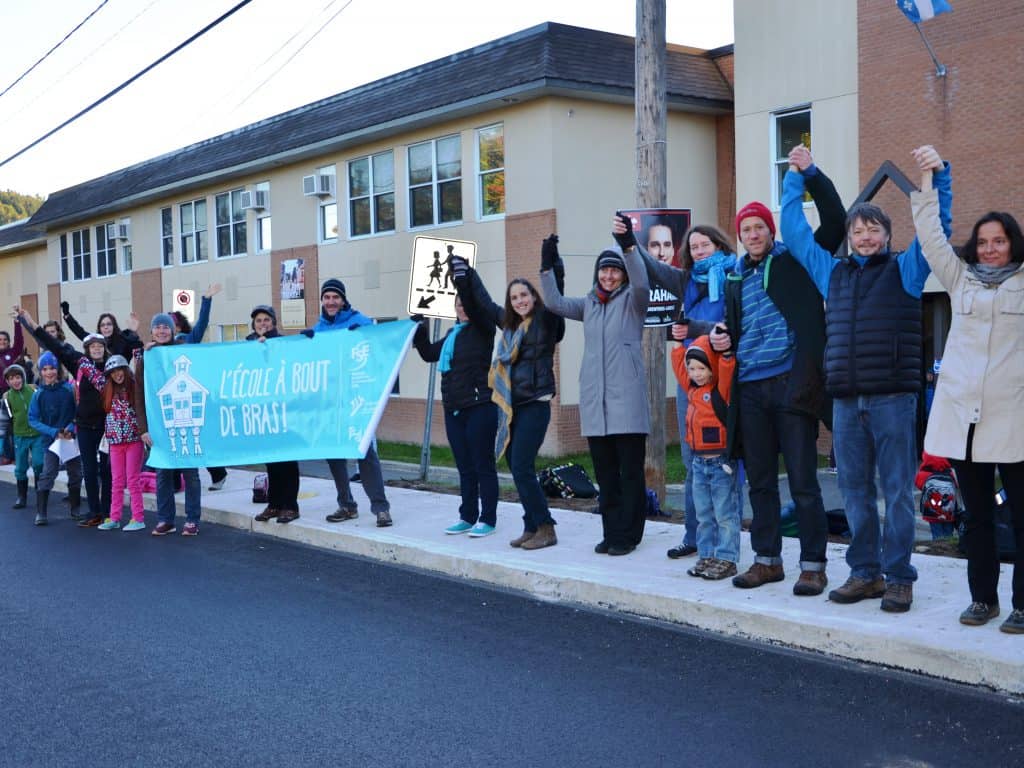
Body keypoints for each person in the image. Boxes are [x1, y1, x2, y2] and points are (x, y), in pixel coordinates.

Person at [779, 143, 951, 613]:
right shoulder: (830, 274)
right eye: (858, 229)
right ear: (850, 237)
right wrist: (798, 176)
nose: (865, 235)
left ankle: (899, 577)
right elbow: (793, 231)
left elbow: (938, 230)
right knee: (854, 492)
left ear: (886, 235)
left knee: (897, 494)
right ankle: (865, 573)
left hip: (893, 399)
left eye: (873, 229)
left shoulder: (907, 270)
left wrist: (939, 178)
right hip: (846, 402)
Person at [910, 159, 1024, 633]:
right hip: (966, 422)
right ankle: (984, 600)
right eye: (984, 241)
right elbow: (931, 237)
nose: (991, 248)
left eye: (999, 240)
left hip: (1013, 420)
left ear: (1013, 242)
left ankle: (1022, 604)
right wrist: (929, 181)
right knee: (976, 517)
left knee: (1021, 518)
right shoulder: (961, 280)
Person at [712, 196, 840, 596]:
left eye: (759, 227)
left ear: (771, 231)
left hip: (791, 382)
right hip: (749, 386)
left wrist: (808, 178)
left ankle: (813, 567)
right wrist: (723, 338)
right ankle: (766, 561)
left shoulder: (793, 262)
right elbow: (737, 328)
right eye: (746, 230)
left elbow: (835, 222)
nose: (753, 235)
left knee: (803, 481)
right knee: (761, 483)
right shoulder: (735, 278)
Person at [541, 220, 650, 556]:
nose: (609, 276)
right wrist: (547, 266)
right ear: (597, 274)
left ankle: (629, 535)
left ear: (623, 275)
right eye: (604, 271)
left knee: (629, 473)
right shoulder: (589, 303)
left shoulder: (634, 300)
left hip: (626, 401)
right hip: (595, 403)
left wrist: (628, 247)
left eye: (615, 271)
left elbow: (644, 281)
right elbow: (555, 303)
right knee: (606, 474)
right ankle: (612, 531)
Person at [639, 223, 739, 559]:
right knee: (692, 459)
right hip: (691, 380)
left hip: (724, 377)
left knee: (724, 461)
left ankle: (726, 541)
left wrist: (695, 328)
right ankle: (695, 536)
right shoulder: (686, 280)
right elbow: (653, 267)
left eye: (704, 244)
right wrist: (628, 241)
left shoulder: (735, 274)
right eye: (693, 247)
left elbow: (734, 326)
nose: (699, 251)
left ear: (718, 244)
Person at [462, 257, 565, 550]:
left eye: (524, 295)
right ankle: (531, 525)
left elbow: (557, 293)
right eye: (514, 297)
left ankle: (546, 527)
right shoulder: (508, 327)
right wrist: (469, 274)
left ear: (534, 296)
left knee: (520, 464)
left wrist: (551, 264)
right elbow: (484, 302)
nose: (520, 301)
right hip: (513, 406)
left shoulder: (546, 321)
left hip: (536, 402)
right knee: (515, 463)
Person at [412, 266, 499, 537]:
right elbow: (427, 354)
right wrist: (419, 326)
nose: (462, 308)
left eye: (465, 304)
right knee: (464, 466)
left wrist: (464, 285)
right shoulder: (452, 335)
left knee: (483, 465)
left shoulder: (483, 329)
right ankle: (467, 515)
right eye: (458, 304)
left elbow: (474, 303)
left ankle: (488, 519)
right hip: (454, 410)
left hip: (480, 407)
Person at [310, 278, 393, 528]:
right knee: (334, 456)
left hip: (357, 401)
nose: (331, 301)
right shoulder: (319, 329)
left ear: (343, 300)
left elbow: (381, 344)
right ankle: (346, 505)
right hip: (331, 403)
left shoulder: (360, 322)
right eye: (327, 297)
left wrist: (368, 337)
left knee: (365, 454)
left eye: (336, 297)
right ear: (322, 301)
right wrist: (305, 344)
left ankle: (381, 508)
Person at [19, 309, 110, 526]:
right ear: (87, 349)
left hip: (107, 427)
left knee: (105, 472)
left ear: (105, 349)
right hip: (83, 429)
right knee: (86, 470)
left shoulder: (112, 366)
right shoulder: (80, 364)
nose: (96, 349)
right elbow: (56, 346)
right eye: (92, 346)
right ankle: (93, 512)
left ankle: (107, 511)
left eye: (100, 346)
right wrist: (31, 323)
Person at [671, 335, 739, 579]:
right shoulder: (691, 390)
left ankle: (727, 558)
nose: (696, 373)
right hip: (698, 462)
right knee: (704, 515)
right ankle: (707, 555)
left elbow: (726, 367)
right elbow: (678, 365)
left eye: (702, 368)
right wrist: (678, 344)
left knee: (724, 514)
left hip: (720, 463)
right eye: (692, 368)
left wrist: (725, 353)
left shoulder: (720, 390)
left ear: (711, 367)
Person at [136, 313, 204, 537]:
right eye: (158, 327)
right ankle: (166, 519)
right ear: (152, 331)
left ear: (173, 330)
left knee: (191, 473)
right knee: (163, 474)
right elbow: (139, 395)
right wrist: (143, 428)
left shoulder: (184, 350)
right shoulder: (146, 356)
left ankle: (192, 520)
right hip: (159, 426)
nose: (162, 331)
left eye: (166, 327)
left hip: (186, 422)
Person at [168, 285, 229, 492]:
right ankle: (176, 482)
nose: (168, 327)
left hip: (192, 395)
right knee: (174, 439)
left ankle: (218, 473)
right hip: (172, 398)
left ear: (178, 326)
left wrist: (206, 300)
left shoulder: (188, 340)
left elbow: (202, 324)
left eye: (172, 323)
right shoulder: (159, 348)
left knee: (199, 438)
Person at [247, 306, 302, 525]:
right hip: (263, 412)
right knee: (271, 462)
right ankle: (274, 504)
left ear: (273, 323)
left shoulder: (282, 343)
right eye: (258, 320)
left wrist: (268, 347)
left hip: (283, 410)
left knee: (287, 461)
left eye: (266, 320)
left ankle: (290, 506)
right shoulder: (247, 345)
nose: (262, 324)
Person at [27, 351, 82, 526]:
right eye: (45, 369)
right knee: (48, 474)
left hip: (69, 439)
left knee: (75, 473)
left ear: (58, 370)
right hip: (50, 442)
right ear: (40, 371)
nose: (49, 372)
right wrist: (52, 431)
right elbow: (32, 419)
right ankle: (41, 512)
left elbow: (77, 413)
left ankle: (75, 509)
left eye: (52, 368)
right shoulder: (38, 394)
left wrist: (71, 428)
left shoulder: (68, 389)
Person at [97, 355, 146, 531]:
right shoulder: (106, 389)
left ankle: (138, 518)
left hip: (134, 441)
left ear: (126, 369)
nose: (117, 374)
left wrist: (139, 356)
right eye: (113, 372)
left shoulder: (136, 387)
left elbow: (141, 371)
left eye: (120, 370)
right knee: (116, 481)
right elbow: (89, 371)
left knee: (133, 480)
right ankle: (115, 517)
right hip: (115, 443)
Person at [3, 364, 42, 509]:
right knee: (20, 467)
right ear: (7, 381)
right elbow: (5, 418)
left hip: (37, 434)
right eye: (11, 378)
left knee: (39, 463)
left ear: (23, 378)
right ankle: (21, 496)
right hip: (20, 436)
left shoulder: (34, 390)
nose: (15, 381)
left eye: (18, 377)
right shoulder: (7, 397)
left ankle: (40, 494)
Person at [59, 303, 143, 361]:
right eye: (102, 325)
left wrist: (133, 332)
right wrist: (67, 315)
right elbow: (79, 331)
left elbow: (138, 355)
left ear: (114, 326)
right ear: (99, 328)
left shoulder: (124, 339)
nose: (106, 327)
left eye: (109, 324)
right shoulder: (95, 340)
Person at [0, 318, 26, 465]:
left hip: (12, 394)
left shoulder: (12, 352)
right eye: (0, 339)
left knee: (14, 425)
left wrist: (17, 323)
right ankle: (7, 455)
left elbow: (19, 341)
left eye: (5, 339)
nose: (2, 341)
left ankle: (17, 456)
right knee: (2, 427)